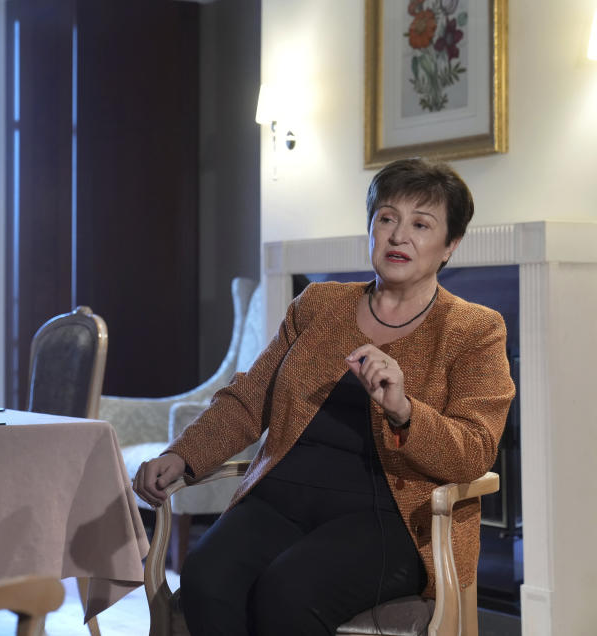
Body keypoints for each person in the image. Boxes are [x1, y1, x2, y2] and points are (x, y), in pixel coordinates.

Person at [134, 158, 515, 635]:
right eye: (387, 218)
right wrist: (183, 454)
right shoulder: (318, 304)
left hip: (391, 517)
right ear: (372, 229)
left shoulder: (474, 329)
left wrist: (404, 411)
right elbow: (251, 399)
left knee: (288, 592)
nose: (399, 235)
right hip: (282, 498)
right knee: (207, 577)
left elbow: (474, 450)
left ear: (449, 246)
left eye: (421, 224)